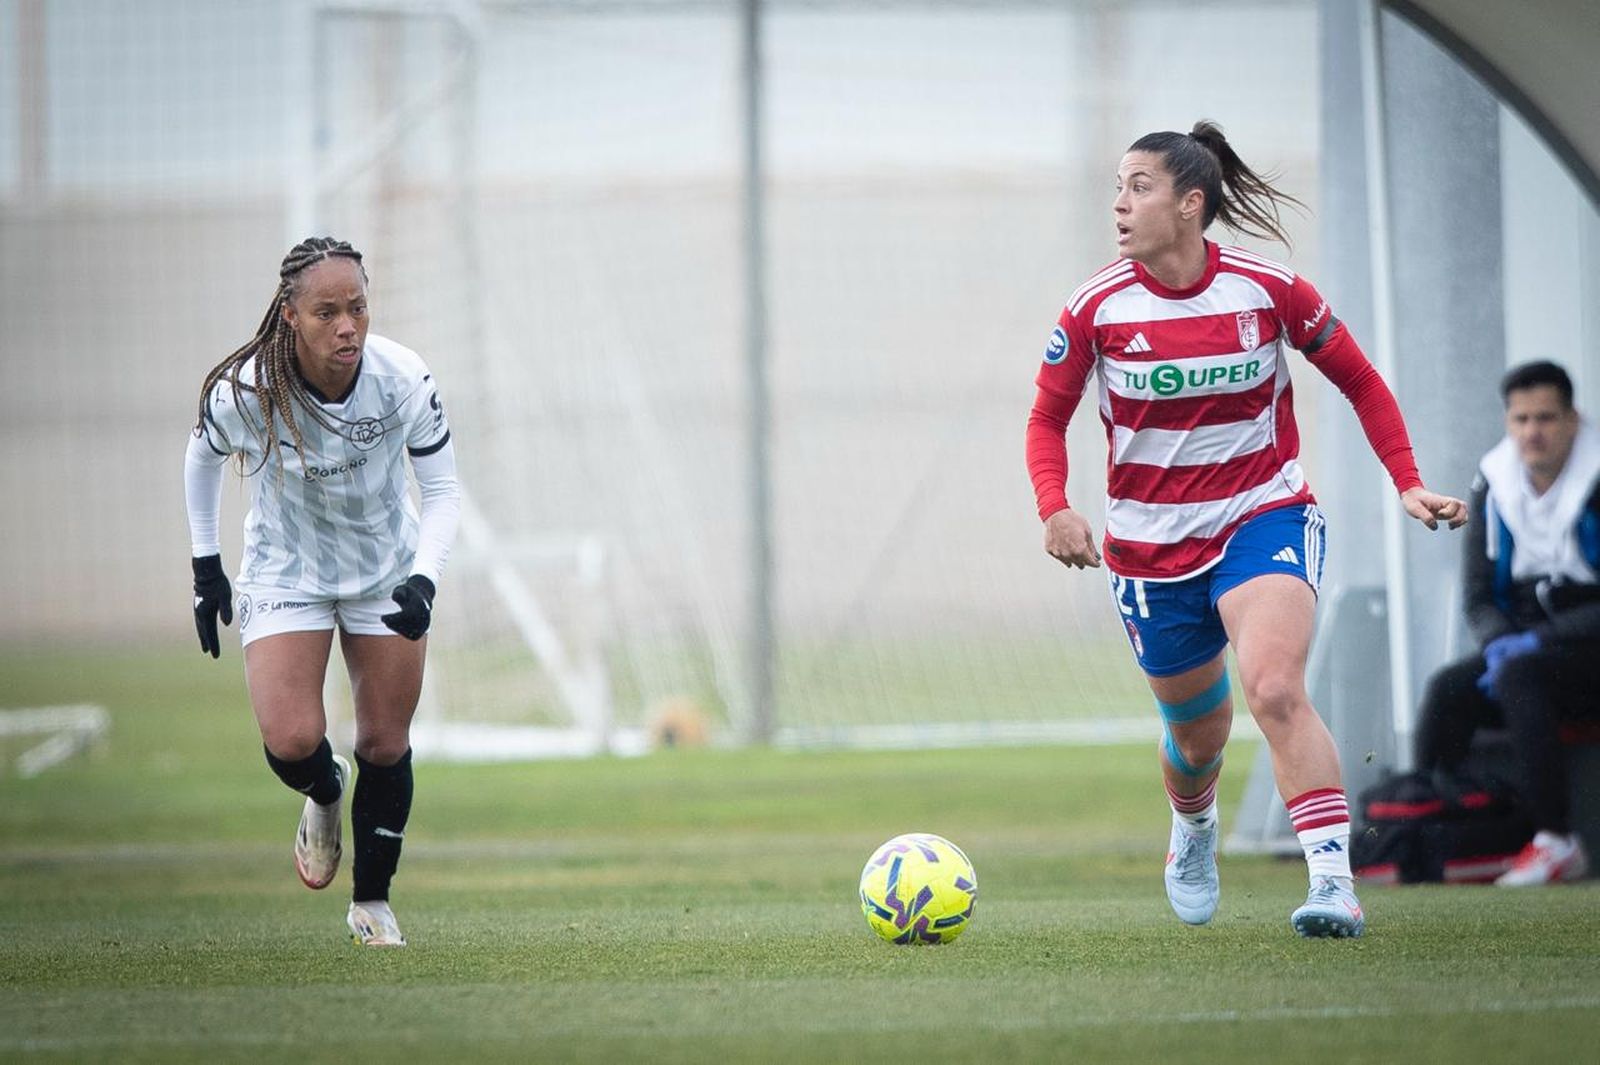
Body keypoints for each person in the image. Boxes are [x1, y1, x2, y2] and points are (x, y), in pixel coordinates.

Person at [1024, 121, 1466, 938]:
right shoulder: (1095, 308)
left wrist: (1408, 482)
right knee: (1198, 736)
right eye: (1117, 187)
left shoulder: (1269, 290)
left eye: (1139, 187)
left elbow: (1361, 382)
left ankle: (1333, 883)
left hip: (1262, 515)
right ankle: (1193, 827)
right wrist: (1056, 505)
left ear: (1191, 205)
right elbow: (1046, 419)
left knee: (1273, 687)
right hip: (1150, 550)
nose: (1119, 204)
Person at [185, 237, 461, 946]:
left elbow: (441, 489)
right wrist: (206, 566)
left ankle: (373, 902)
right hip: (288, 571)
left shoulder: (403, 378)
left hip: (383, 568)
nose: (348, 326)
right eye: (328, 311)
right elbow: (202, 454)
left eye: (359, 309)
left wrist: (424, 579)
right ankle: (323, 790)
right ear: (290, 315)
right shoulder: (248, 390)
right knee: (292, 737)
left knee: (385, 738)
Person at [1413, 361, 1599, 885]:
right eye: (1520, 420)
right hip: (1527, 642)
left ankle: (1557, 840)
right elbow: (1477, 595)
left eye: (1545, 418)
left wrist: (1535, 641)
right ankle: (1437, 821)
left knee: (1523, 673)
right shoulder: (1494, 481)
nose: (1532, 432)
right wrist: (1499, 642)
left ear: (1572, 420)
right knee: (1450, 688)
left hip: (1585, 643)